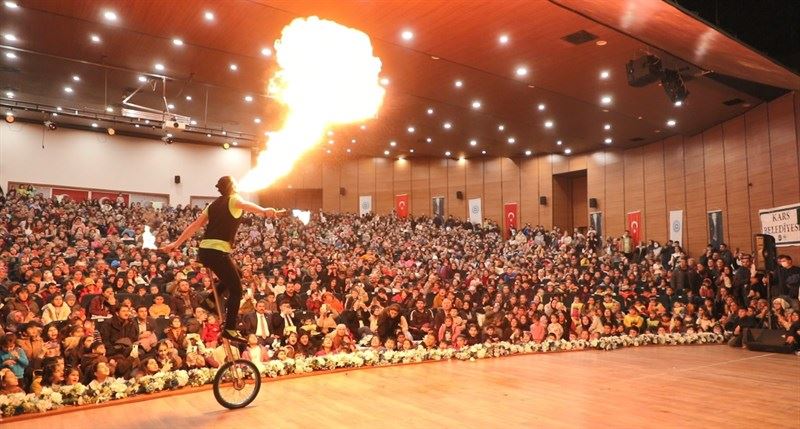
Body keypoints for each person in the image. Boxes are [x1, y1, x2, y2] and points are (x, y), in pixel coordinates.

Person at [160, 176, 286, 343]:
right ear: (232, 186)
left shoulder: (212, 205)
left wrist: (176, 243)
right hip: (217, 251)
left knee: (237, 273)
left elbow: (194, 226)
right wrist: (265, 211)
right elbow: (248, 206)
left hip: (205, 251)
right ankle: (230, 329)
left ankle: (211, 301)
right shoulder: (234, 199)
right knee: (236, 290)